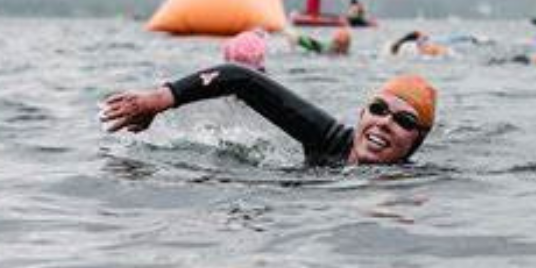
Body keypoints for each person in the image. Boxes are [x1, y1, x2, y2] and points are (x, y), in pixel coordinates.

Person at [102, 45, 437, 167]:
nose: (384, 123)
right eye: (378, 109)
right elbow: (240, 78)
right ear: (361, 113)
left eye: (404, 121)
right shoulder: (328, 139)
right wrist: (157, 100)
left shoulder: (414, 185)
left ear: (417, 141)